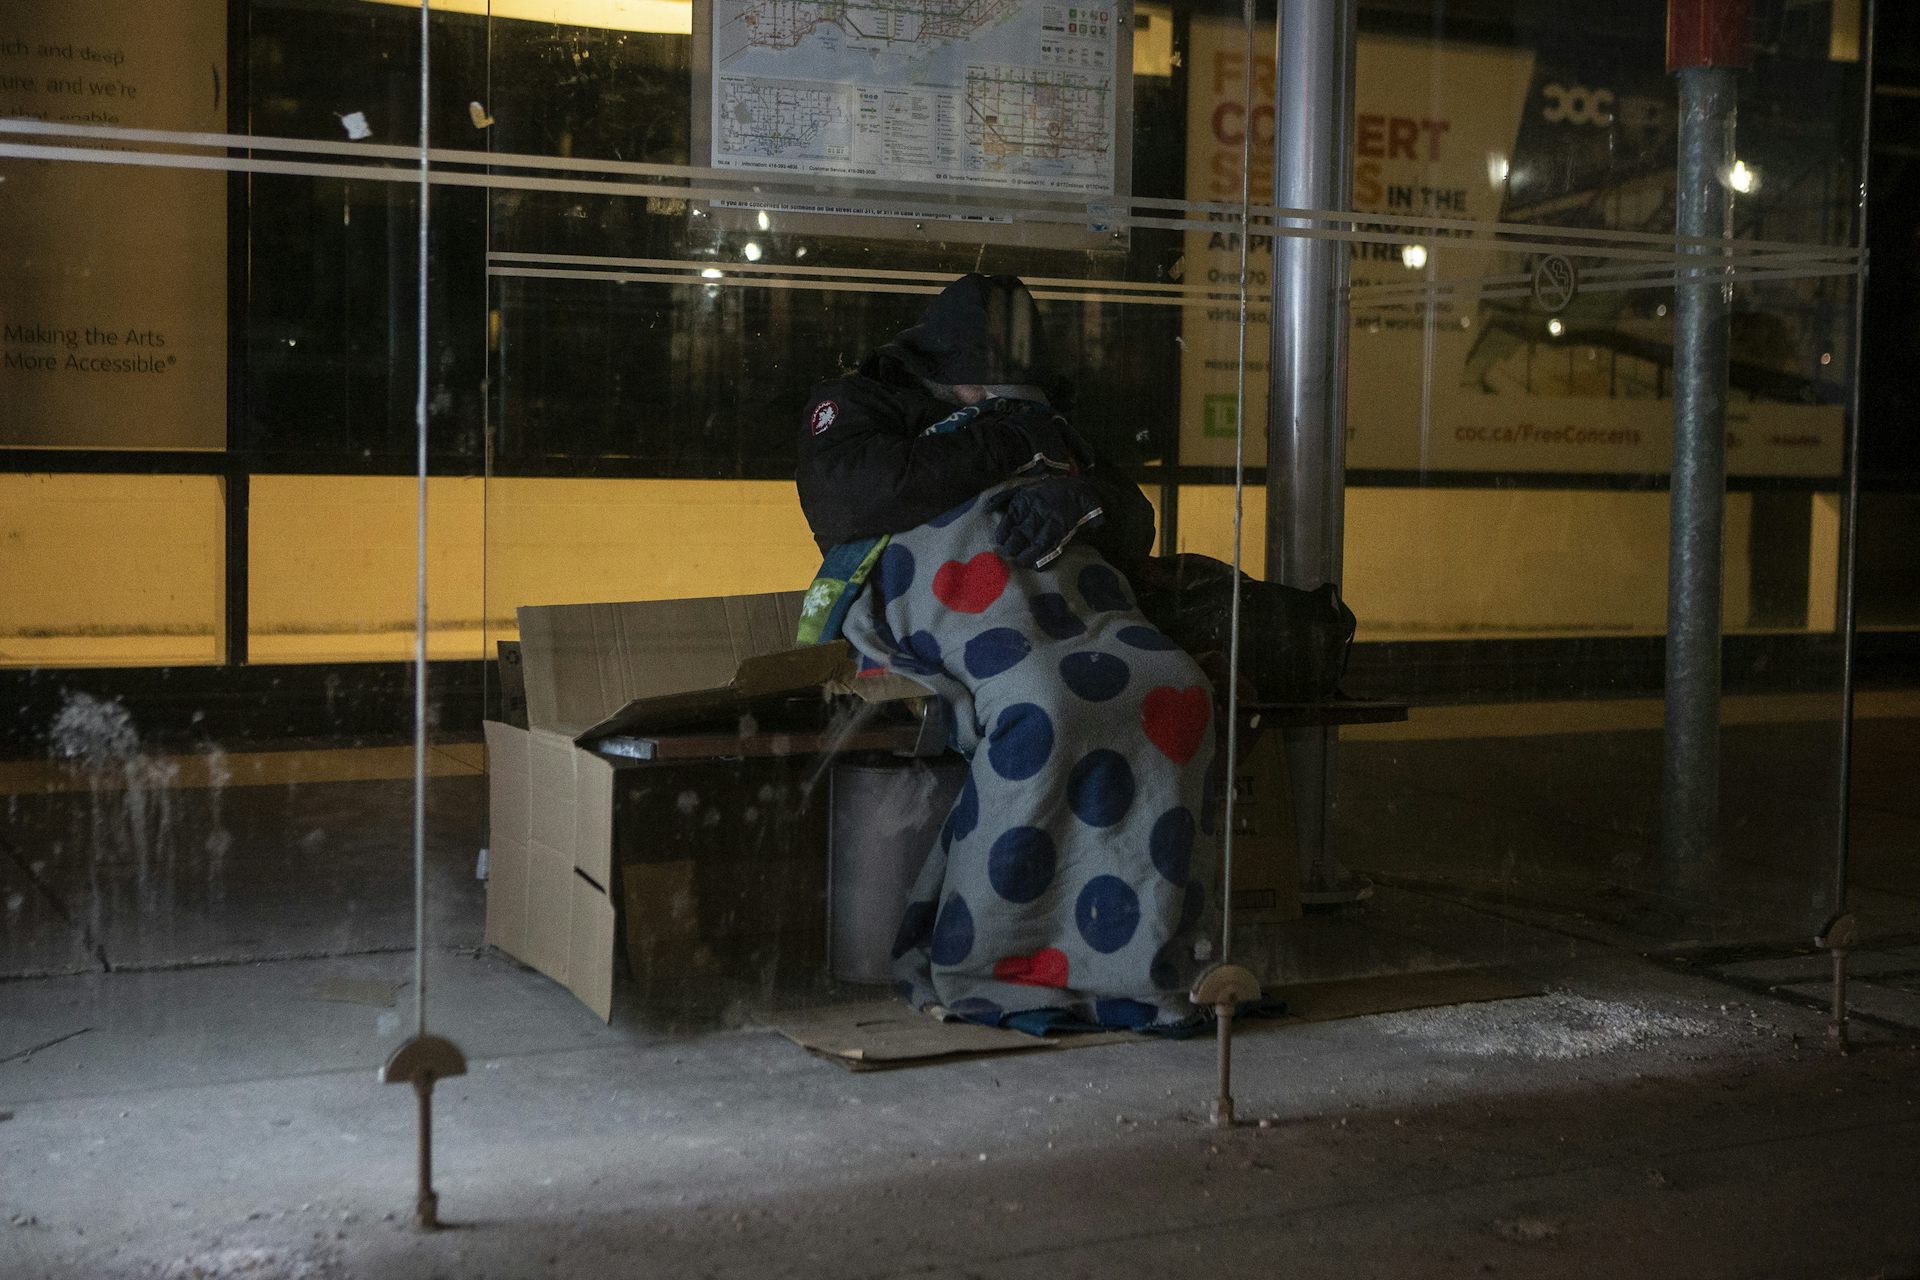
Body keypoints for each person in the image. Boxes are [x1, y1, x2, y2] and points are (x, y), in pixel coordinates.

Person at [795, 273, 1221, 1031]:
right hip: (951, 605)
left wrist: (1083, 500)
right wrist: (1015, 440)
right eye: (981, 390)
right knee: (1042, 706)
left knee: (1176, 689)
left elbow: (1132, 520)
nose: (995, 400)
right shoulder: (862, 402)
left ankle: (1131, 956)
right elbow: (856, 497)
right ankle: (994, 954)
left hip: (1071, 604)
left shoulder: (1045, 413)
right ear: (938, 370)